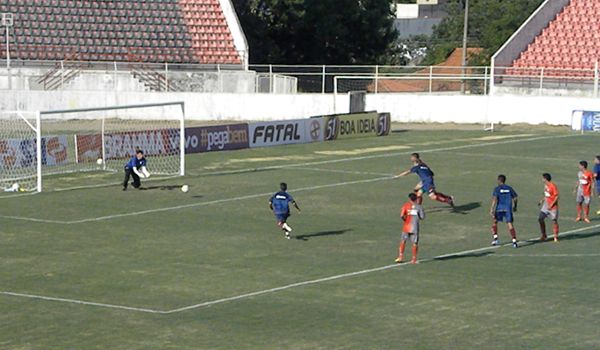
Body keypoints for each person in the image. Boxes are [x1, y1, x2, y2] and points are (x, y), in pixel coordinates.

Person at [490, 175, 519, 248]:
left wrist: (492, 209)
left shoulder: (497, 189)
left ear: (499, 180)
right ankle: (514, 241)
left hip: (499, 208)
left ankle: (496, 239)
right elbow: (515, 198)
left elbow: (494, 199)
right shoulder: (509, 188)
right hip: (508, 209)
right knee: (510, 224)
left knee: (495, 222)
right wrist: (515, 206)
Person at [396, 192, 425, 264]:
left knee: (403, 241)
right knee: (414, 243)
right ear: (416, 199)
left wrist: (406, 220)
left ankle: (400, 257)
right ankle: (414, 259)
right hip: (414, 227)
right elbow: (422, 217)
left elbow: (402, 215)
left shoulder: (406, 205)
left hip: (406, 227)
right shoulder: (419, 207)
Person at [539, 173, 560, 242]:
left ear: (545, 179)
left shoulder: (553, 186)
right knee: (540, 219)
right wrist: (542, 200)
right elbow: (546, 195)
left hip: (553, 207)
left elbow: (557, 196)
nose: (542, 179)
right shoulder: (545, 186)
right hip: (545, 205)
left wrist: (551, 205)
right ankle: (544, 234)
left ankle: (555, 236)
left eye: (542, 178)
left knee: (554, 221)